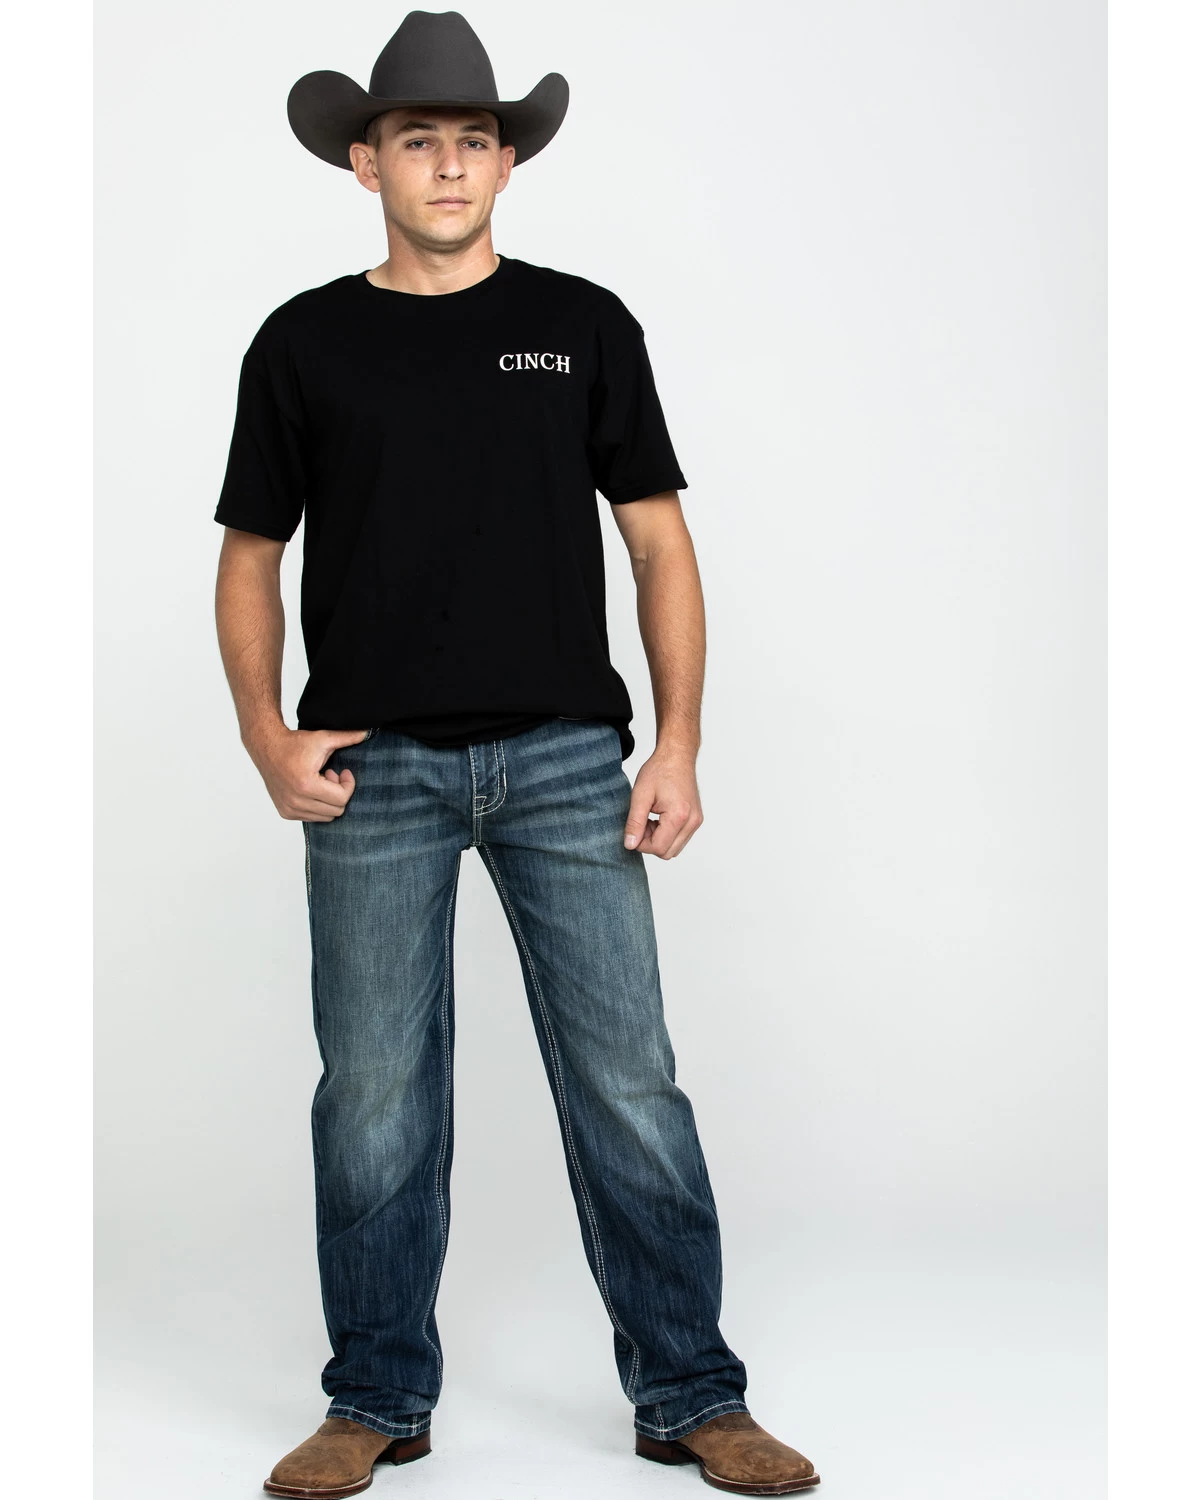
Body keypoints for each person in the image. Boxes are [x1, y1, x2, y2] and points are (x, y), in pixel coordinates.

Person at [213, 11, 820, 1497]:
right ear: (365, 164)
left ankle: (691, 1394)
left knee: (630, 1084)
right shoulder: (302, 341)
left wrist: (678, 742)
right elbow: (250, 557)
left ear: (505, 162)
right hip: (373, 774)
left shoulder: (584, 325)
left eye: (473, 139)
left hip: (564, 761)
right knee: (373, 1096)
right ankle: (373, 1399)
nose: (448, 164)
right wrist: (266, 736)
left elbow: (659, 544)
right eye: (416, 138)